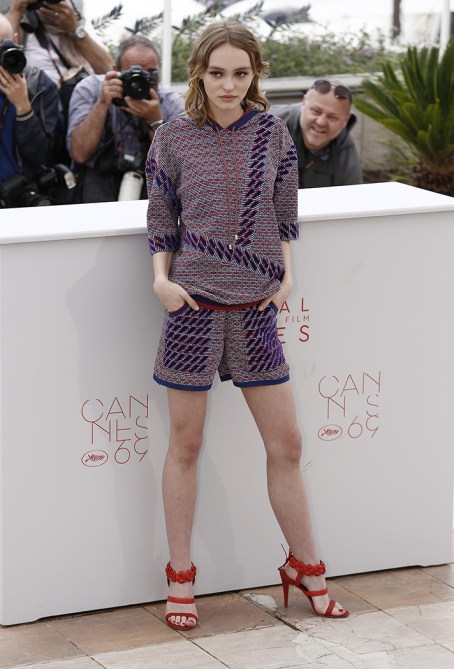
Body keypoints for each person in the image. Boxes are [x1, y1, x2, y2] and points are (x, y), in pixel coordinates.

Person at [145, 19, 349, 631]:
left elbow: (285, 214)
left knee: (287, 445)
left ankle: (306, 567)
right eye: (217, 73)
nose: (229, 85)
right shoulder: (172, 136)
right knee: (186, 446)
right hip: (192, 308)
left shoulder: (272, 134)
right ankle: (180, 576)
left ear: (255, 73)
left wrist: (285, 278)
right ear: (199, 74)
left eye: (240, 73)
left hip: (257, 308)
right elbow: (161, 218)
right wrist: (161, 281)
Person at [67, 35, 185, 203]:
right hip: (97, 178)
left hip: (152, 180)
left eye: (150, 74)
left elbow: (180, 167)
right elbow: (79, 154)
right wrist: (102, 104)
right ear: (116, 71)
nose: (140, 82)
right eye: (133, 74)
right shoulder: (91, 89)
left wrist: (156, 121)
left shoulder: (170, 102)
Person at [0, 12, 61, 207]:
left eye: (1, 45)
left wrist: (23, 107)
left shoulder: (39, 85)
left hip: (19, 194)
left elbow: (40, 158)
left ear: (15, 41)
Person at [271, 80, 363, 188]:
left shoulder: (343, 147)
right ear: (304, 103)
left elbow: (353, 195)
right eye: (316, 111)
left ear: (345, 120)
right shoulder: (267, 126)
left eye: (332, 117)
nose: (321, 122)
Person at [4, 0, 113, 87]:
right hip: (38, 101)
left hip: (81, 100)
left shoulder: (77, 20)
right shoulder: (19, 21)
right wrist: (16, 12)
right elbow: (3, 62)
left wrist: (74, 29)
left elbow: (108, 70)